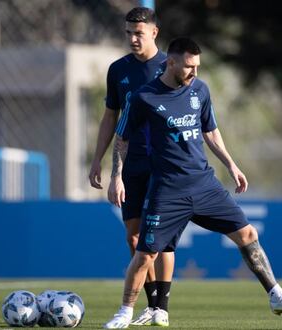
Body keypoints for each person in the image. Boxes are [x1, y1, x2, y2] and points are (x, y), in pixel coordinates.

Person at [104, 37, 282, 329]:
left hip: (205, 185)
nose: (195, 72)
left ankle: (276, 295)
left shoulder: (200, 91)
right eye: (189, 66)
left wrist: (231, 164)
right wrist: (117, 176)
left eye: (198, 66)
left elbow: (210, 131)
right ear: (171, 62)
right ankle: (125, 312)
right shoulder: (143, 97)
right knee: (145, 254)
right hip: (168, 189)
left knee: (247, 234)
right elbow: (123, 138)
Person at [88, 7, 174, 327]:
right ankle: (152, 305)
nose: (133, 39)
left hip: (164, 165)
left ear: (154, 32)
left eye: (139, 33)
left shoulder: (171, 66)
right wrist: (100, 161)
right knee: (135, 240)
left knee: (159, 239)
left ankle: (160, 306)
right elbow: (111, 116)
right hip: (131, 163)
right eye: (128, 33)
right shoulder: (118, 70)